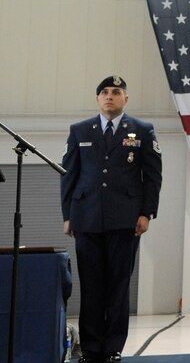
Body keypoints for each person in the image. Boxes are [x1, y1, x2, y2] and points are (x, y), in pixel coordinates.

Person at [60, 76, 163, 363]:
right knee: (91, 284)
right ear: (97, 99)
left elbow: (153, 176)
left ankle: (113, 347)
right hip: (87, 217)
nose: (109, 96)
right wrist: (68, 215)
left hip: (125, 219)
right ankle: (91, 348)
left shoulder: (142, 130)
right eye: (104, 92)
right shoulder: (79, 130)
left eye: (116, 92)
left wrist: (146, 212)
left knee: (118, 284)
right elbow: (69, 174)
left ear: (125, 99)